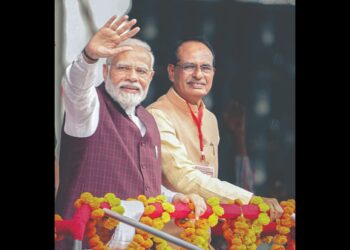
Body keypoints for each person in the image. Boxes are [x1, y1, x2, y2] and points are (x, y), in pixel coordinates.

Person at [55, 16, 206, 250]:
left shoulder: (148, 119)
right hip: (85, 242)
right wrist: (89, 57)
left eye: (141, 71)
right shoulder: (89, 108)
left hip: (139, 243)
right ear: (105, 72)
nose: (133, 77)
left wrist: (172, 197)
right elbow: (76, 88)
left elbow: (146, 186)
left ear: (151, 77)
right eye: (123, 68)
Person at [147, 38, 283, 219]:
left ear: (213, 73)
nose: (198, 74)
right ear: (172, 72)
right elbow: (183, 178)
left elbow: (209, 179)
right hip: (165, 234)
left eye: (205, 68)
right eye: (189, 66)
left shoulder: (210, 119)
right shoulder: (157, 115)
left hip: (203, 232)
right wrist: (250, 199)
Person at [222, 100, 254, 192]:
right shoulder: (220, 139)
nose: (235, 118)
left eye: (238, 113)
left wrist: (240, 135)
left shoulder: (246, 139)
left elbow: (246, 184)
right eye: (233, 113)